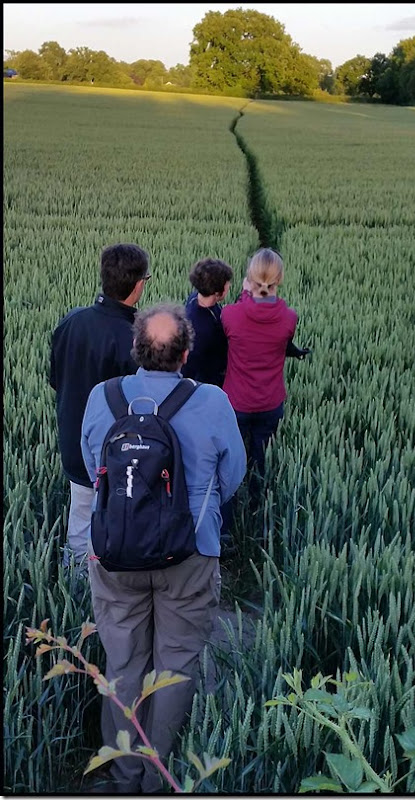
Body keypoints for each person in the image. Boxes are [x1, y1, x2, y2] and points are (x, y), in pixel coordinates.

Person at [81, 303, 246, 794]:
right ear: (186, 353)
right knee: (174, 665)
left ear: (136, 348)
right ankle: (159, 779)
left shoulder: (103, 397)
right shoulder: (213, 401)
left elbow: (94, 470)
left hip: (115, 552)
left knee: (123, 662)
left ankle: (123, 773)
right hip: (190, 554)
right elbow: (232, 477)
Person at [50, 242, 150, 571]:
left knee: (80, 517)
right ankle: (110, 583)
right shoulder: (134, 340)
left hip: (72, 439)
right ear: (138, 285)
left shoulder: (71, 321)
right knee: (115, 519)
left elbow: (55, 380)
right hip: (114, 452)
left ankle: (75, 582)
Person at [221, 247, 304, 485]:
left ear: (249, 279)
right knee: (262, 456)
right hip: (270, 402)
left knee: (233, 455)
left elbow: (240, 321)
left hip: (236, 401)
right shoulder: (290, 318)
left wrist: (245, 294)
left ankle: (234, 494)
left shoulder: (229, 315)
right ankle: (259, 495)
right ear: (280, 279)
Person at [181, 257, 233, 387]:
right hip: (208, 382)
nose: (229, 286)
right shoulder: (202, 328)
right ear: (217, 292)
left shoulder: (195, 297)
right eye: (227, 283)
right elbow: (190, 366)